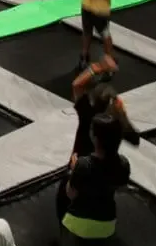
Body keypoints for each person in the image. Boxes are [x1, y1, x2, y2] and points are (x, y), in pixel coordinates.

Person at [56, 77, 140, 229]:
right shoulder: (117, 124)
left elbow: (76, 85)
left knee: (67, 198)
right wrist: (122, 114)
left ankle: (66, 240)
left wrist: (97, 67)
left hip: (83, 171)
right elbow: (135, 139)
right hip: (107, 217)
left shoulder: (88, 114)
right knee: (99, 195)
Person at [60, 114, 131, 246]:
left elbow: (71, 194)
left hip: (78, 223)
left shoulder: (83, 164)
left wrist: (73, 170)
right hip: (106, 223)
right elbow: (121, 187)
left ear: (95, 137)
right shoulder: (123, 164)